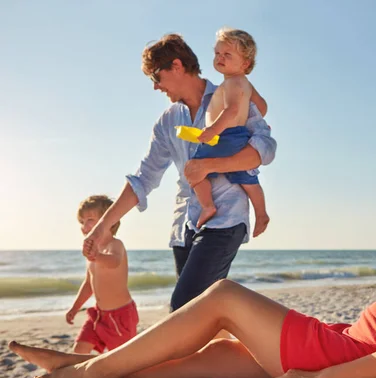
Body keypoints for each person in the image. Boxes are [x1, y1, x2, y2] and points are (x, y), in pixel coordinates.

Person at [9, 121, 376, 378]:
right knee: (206, 358)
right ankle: (87, 369)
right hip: (341, 335)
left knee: (224, 297)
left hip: (343, 353)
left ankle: (93, 371)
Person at [81, 33, 277, 312]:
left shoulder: (233, 92)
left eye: (156, 78)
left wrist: (209, 165)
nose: (155, 87)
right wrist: (101, 228)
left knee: (182, 308)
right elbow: (144, 178)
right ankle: (221, 353)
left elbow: (265, 148)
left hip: (225, 220)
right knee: (200, 316)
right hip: (184, 226)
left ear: (176, 66)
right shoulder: (168, 121)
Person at [189, 28, 269, 236]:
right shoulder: (244, 83)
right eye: (217, 53)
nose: (220, 58)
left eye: (227, 55)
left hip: (224, 137)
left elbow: (231, 110)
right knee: (246, 178)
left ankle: (207, 206)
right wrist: (257, 124)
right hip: (237, 136)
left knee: (193, 169)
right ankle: (261, 213)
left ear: (245, 64)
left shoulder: (233, 83)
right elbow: (262, 106)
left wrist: (211, 130)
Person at [68, 195, 138, 354]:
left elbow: (114, 261)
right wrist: (75, 307)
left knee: (124, 359)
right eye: (82, 222)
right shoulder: (92, 252)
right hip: (98, 315)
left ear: (109, 221)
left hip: (120, 316)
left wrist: (96, 257)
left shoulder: (115, 244)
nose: (84, 225)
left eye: (90, 219)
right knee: (79, 349)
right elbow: (88, 284)